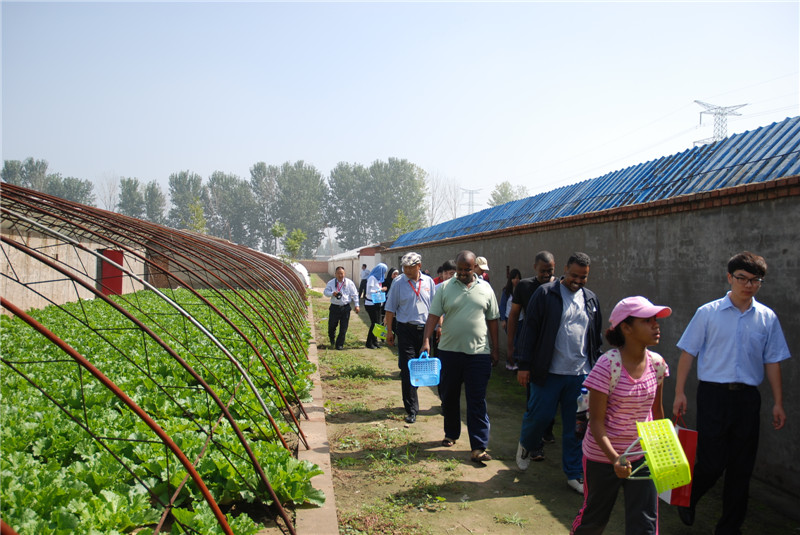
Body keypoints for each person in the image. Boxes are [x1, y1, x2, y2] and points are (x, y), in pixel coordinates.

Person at [672, 252, 791, 534]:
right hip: (713, 395)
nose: (748, 285)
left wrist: (778, 402)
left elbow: (772, 361)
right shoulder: (708, 313)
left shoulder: (766, 318)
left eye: (755, 280)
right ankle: (688, 498)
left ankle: (729, 527)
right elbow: (688, 352)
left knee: (741, 467)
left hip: (748, 398)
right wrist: (679, 392)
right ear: (730, 278)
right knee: (712, 463)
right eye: (742, 278)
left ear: (760, 283)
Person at [571, 296, 672, 535]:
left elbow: (656, 412)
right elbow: (595, 422)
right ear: (626, 328)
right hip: (602, 457)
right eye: (647, 320)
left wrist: (664, 451)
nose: (656, 325)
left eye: (655, 320)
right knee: (594, 519)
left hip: (642, 454)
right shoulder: (607, 366)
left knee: (645, 523)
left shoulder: (657, 364)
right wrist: (615, 458)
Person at [515, 252, 603, 494]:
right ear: (565, 269)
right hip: (548, 372)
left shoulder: (591, 300)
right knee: (539, 417)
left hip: (580, 375)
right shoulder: (545, 294)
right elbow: (530, 331)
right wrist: (524, 366)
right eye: (574, 275)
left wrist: (597, 371)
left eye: (583, 277)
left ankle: (574, 473)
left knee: (576, 427)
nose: (578, 280)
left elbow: (596, 339)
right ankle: (527, 443)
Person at [420, 250, 500, 463]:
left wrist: (495, 348)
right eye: (461, 269)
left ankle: (479, 446)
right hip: (449, 352)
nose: (464, 273)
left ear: (475, 268)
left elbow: (492, 319)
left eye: (468, 269)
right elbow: (433, 316)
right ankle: (451, 433)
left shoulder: (486, 289)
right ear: (456, 268)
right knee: (449, 396)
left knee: (477, 400)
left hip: (478, 354)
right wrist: (426, 341)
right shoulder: (445, 288)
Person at [507, 251, 558, 440]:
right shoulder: (525, 286)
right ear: (535, 267)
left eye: (550, 270)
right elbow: (513, 315)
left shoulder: (559, 287)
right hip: (532, 345)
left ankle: (548, 428)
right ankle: (535, 432)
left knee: (553, 389)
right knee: (534, 391)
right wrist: (511, 344)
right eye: (543, 271)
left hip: (554, 346)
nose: (546, 275)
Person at [383, 252, 437, 424]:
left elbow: (436, 308)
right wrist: (389, 331)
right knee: (407, 369)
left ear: (419, 266)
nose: (406, 270)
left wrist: (439, 327)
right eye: (404, 267)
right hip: (405, 329)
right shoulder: (398, 283)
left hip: (426, 331)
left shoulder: (428, 282)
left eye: (410, 267)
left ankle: (413, 395)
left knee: (421, 368)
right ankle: (411, 408)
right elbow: (390, 309)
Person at [323, 266, 361, 350]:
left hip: (345, 307)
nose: (341, 275)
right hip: (334, 307)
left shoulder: (349, 283)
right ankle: (332, 339)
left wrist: (357, 305)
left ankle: (339, 344)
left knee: (344, 327)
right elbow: (325, 292)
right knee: (332, 326)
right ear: (335, 274)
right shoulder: (331, 283)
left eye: (342, 273)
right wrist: (333, 293)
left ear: (345, 274)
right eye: (339, 273)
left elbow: (355, 294)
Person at [364, 263, 388, 349]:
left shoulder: (378, 280)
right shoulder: (372, 278)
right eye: (383, 271)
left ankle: (375, 341)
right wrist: (381, 289)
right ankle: (369, 342)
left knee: (377, 324)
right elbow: (370, 291)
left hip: (377, 303)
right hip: (371, 304)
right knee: (374, 324)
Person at [500, 268, 522, 334]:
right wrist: (503, 319)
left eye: (518, 278)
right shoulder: (506, 291)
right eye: (514, 278)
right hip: (509, 319)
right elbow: (502, 305)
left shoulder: (522, 290)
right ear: (511, 279)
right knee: (512, 341)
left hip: (520, 320)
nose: (516, 280)